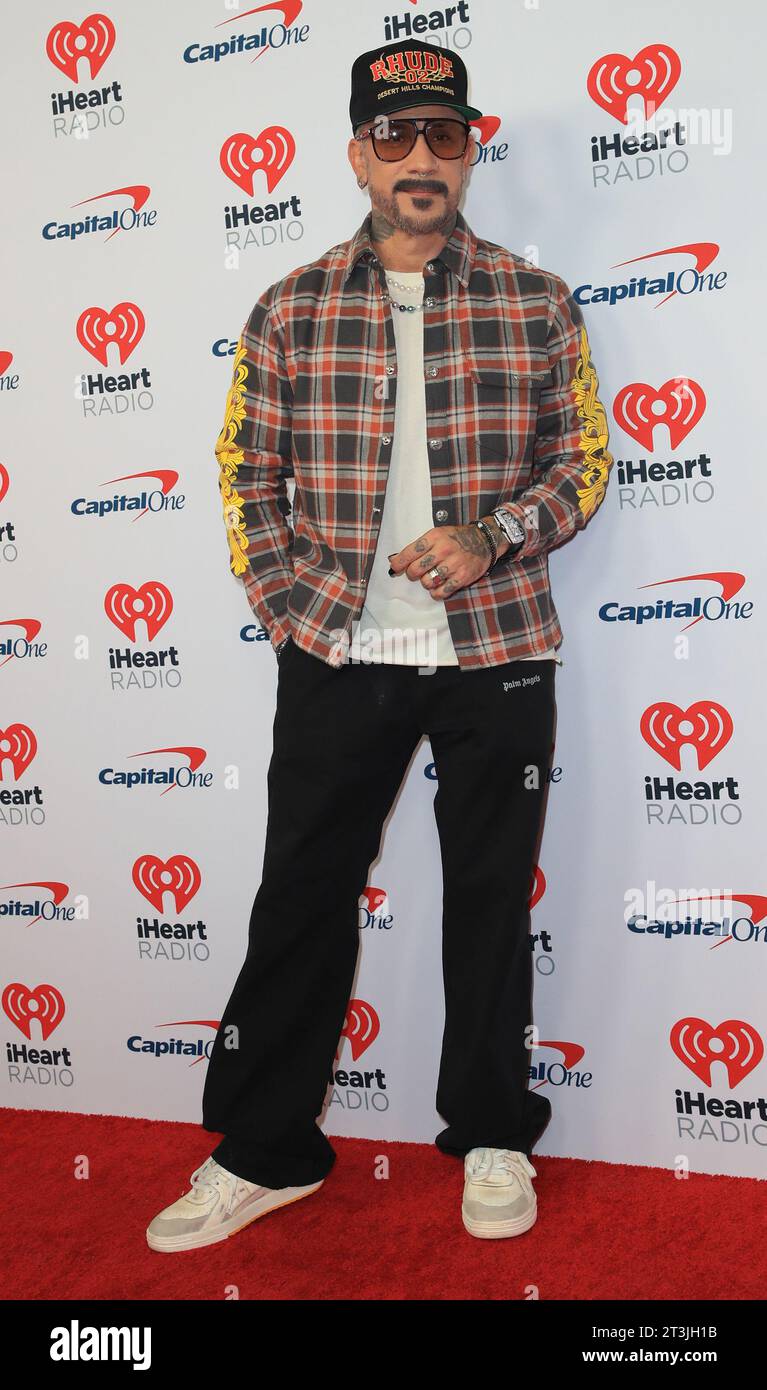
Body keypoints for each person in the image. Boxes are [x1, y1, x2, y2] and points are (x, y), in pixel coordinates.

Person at [146, 37, 613, 1253]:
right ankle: (264, 1150)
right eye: (393, 136)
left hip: (497, 649)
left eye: (442, 136)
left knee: (488, 903)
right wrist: (294, 608)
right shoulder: (289, 304)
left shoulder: (536, 297)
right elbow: (246, 475)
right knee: (300, 899)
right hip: (337, 654)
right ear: (357, 153)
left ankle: (493, 1130)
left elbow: (583, 466)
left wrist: (495, 535)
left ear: (471, 149)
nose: (420, 159)